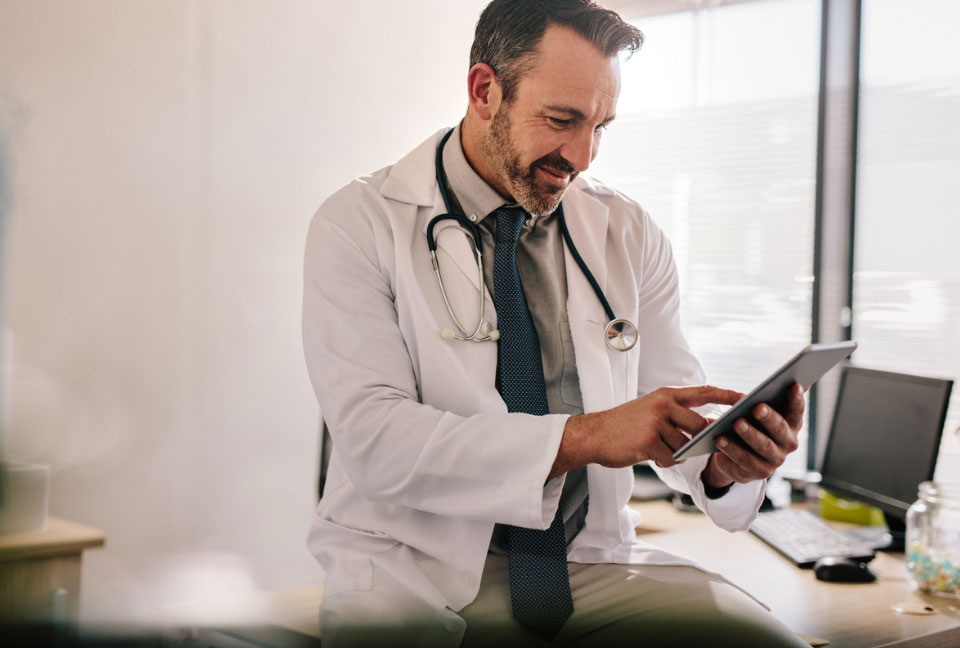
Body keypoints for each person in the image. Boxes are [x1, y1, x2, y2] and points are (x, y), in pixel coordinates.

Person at [302, 1, 808, 646]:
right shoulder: (360, 223)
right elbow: (376, 442)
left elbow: (671, 401)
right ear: (485, 91)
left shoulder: (625, 230)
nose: (583, 155)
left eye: (602, 126)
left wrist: (723, 463)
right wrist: (588, 437)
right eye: (562, 120)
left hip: (583, 567)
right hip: (409, 569)